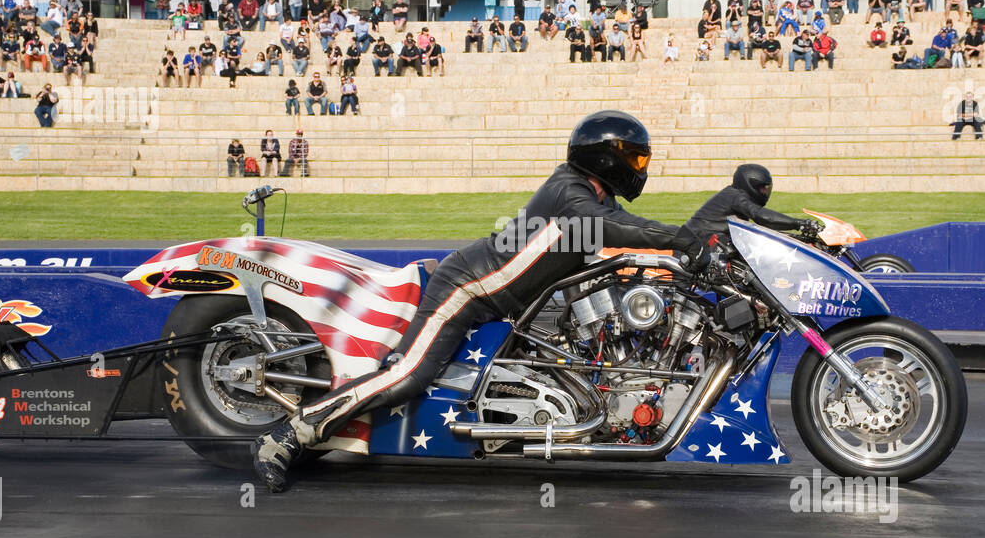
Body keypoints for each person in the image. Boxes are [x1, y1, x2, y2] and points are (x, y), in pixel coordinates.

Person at [252, 110, 712, 492]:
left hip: (505, 302)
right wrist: (685, 238)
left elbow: (626, 231)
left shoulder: (595, 196)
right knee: (407, 375)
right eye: (634, 156)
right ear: (605, 157)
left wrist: (695, 243)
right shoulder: (570, 192)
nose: (640, 166)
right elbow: (614, 229)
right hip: (467, 287)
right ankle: (289, 434)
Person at [684, 164, 821, 246]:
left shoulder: (733, 194)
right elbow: (761, 216)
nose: (764, 192)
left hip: (703, 241)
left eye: (766, 188)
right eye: (762, 188)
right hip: (697, 244)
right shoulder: (736, 196)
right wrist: (799, 223)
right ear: (749, 185)